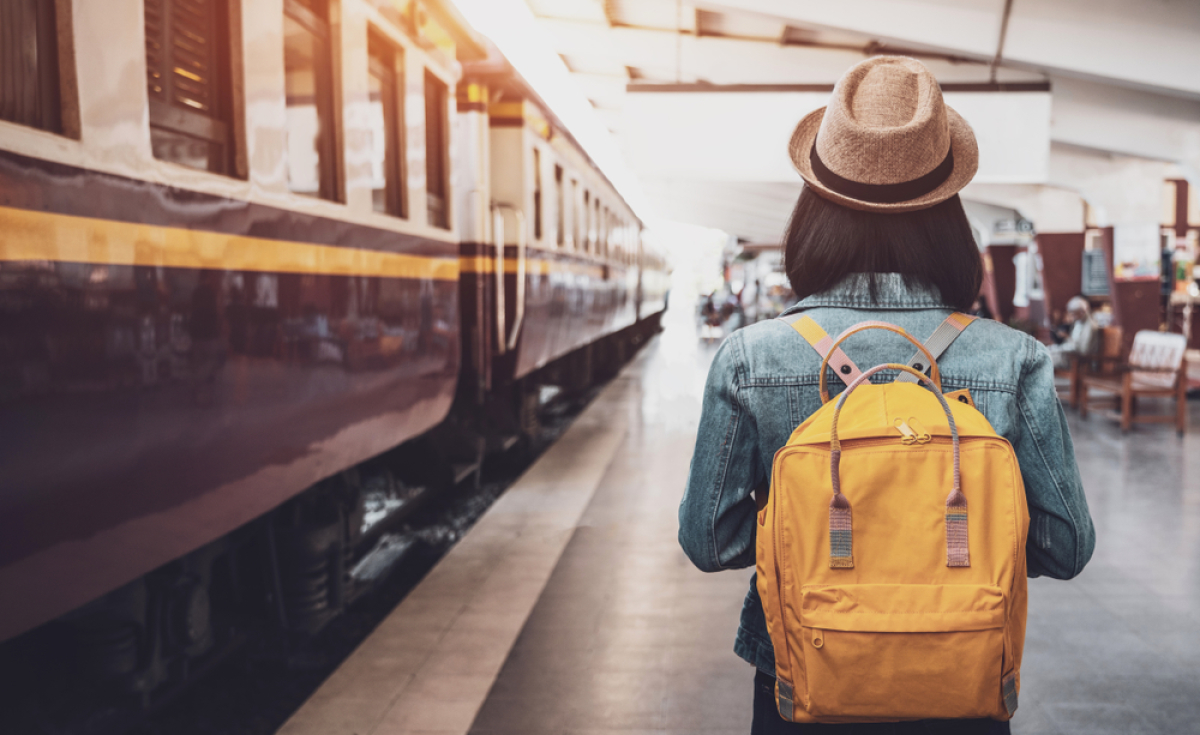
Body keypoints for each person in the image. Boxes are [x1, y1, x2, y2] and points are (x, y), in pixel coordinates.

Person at [678, 56, 1095, 734]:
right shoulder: (1014, 359)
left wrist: (802, 533)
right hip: (959, 676)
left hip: (802, 677)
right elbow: (1066, 545)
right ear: (949, 216)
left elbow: (708, 538)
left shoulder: (752, 357)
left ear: (813, 212)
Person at [1048, 296, 1097, 370]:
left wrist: (1067, 339)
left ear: (1082, 311)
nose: (1073, 317)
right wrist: (1067, 339)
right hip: (1071, 354)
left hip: (1079, 360)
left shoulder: (1090, 326)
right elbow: (1073, 342)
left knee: (1044, 358)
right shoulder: (1078, 323)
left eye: (1074, 314)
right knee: (1046, 350)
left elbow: (1084, 350)